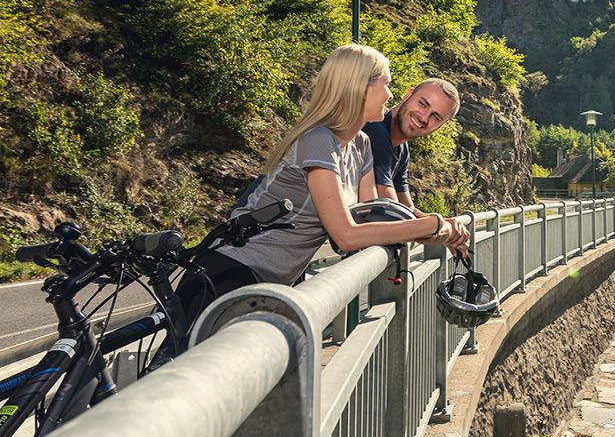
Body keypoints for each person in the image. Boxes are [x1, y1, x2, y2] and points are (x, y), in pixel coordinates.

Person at [172, 44, 470, 340]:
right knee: (181, 368)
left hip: (272, 283)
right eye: (386, 85)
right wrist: (434, 226)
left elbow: (377, 219)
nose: (390, 95)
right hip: (231, 271)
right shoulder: (318, 140)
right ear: (359, 88)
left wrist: (441, 231)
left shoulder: (362, 145)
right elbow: (346, 235)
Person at [363, 77, 460, 215]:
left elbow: (408, 208)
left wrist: (437, 219)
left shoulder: (402, 149)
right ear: (408, 95)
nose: (424, 118)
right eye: (423, 104)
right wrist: (434, 224)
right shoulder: (375, 130)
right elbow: (391, 209)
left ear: (440, 126)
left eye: (436, 117)